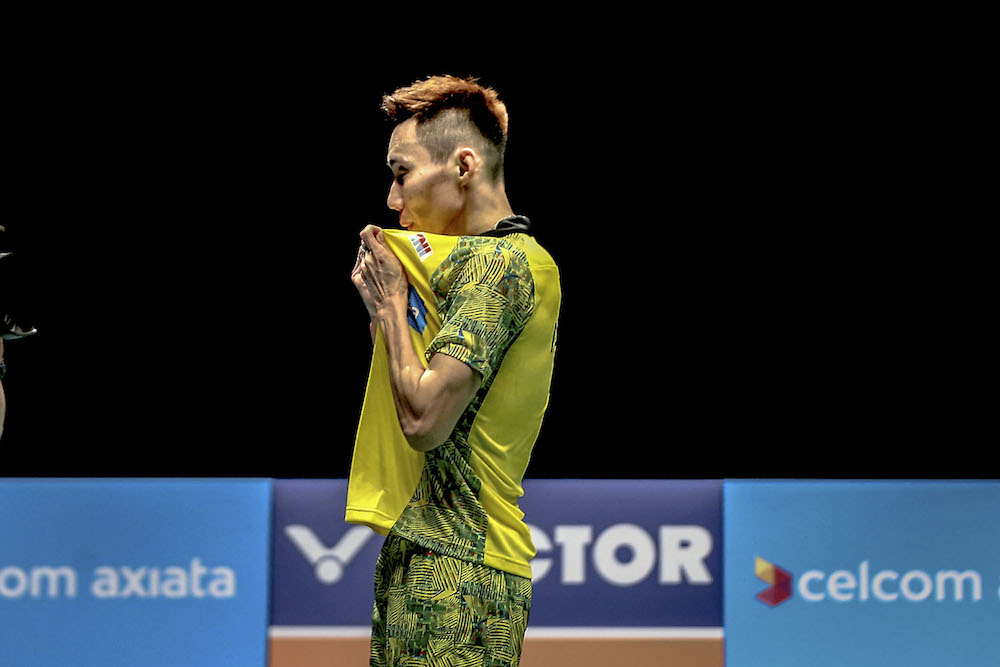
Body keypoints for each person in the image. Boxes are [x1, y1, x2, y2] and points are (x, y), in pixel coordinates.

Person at [348, 74, 561, 667]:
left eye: (401, 174)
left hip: (463, 564)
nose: (393, 200)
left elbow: (424, 422)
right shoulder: (465, 267)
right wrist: (392, 307)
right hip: (421, 545)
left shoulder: (506, 266)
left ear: (463, 166)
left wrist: (391, 306)